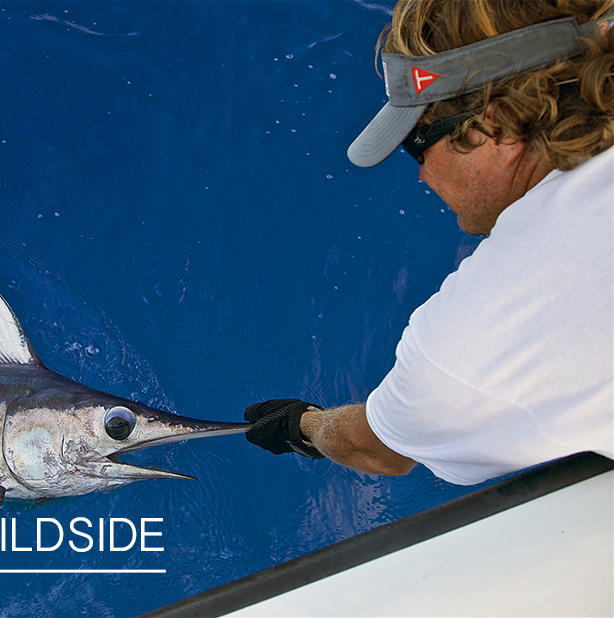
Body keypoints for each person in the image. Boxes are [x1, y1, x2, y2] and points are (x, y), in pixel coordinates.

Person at [244, 0, 614, 486]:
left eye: (416, 143)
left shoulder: (472, 341)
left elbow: (380, 449)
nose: (421, 174)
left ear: (496, 126)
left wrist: (302, 424)